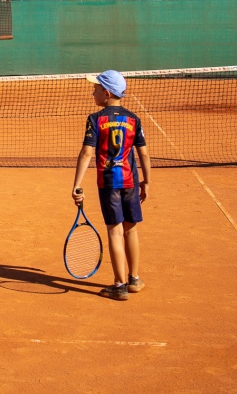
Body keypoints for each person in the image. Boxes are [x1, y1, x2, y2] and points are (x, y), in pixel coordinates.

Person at [70, 69, 151, 301]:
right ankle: (134, 279)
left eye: (95, 89)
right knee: (131, 228)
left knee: (114, 231)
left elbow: (87, 152)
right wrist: (147, 181)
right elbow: (143, 154)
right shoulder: (133, 119)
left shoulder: (96, 119)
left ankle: (119, 284)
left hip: (108, 184)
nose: (92, 92)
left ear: (106, 93)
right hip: (131, 182)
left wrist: (76, 185)